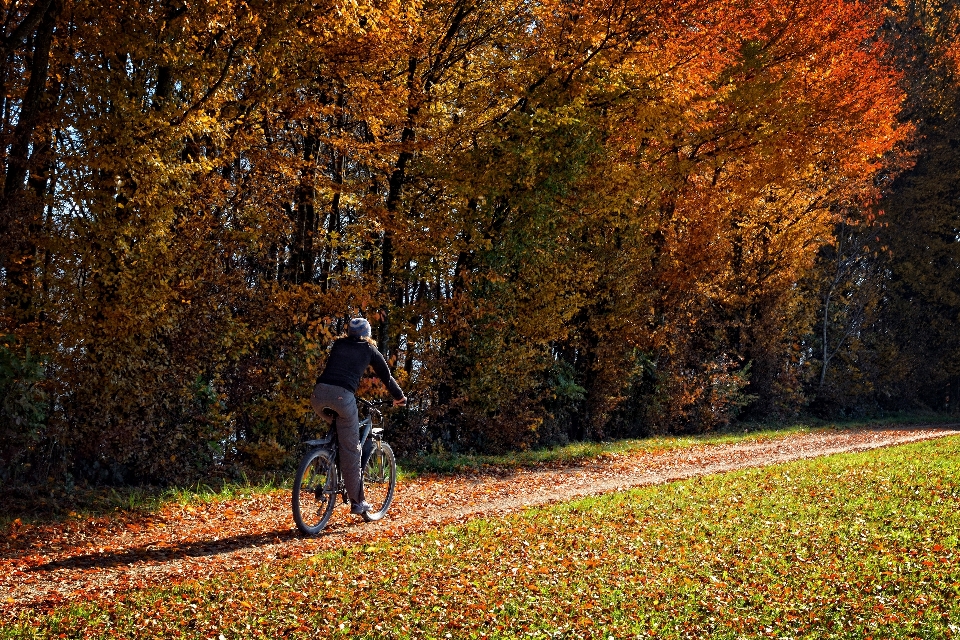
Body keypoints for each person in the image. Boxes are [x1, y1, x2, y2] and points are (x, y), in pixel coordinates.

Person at [310, 317, 406, 516]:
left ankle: (327, 462)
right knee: (352, 449)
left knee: (341, 432)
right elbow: (386, 376)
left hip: (318, 395)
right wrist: (399, 397)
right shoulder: (368, 349)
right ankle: (358, 502)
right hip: (343, 398)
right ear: (368, 334)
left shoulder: (338, 343)